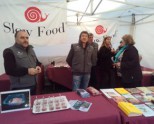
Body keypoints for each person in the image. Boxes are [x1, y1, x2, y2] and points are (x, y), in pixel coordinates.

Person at [3, 30, 41, 95]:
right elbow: (9, 70)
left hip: (34, 85)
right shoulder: (9, 51)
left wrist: (38, 67)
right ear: (16, 39)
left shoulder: (31, 49)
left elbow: (37, 62)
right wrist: (27, 71)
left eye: (27, 38)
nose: (25, 40)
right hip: (20, 88)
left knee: (33, 104)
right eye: (22, 38)